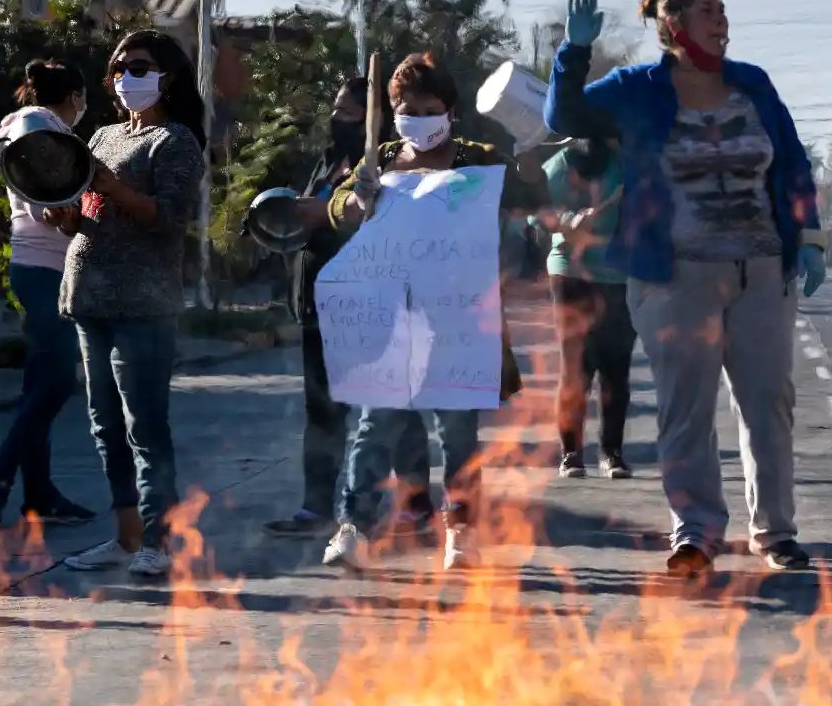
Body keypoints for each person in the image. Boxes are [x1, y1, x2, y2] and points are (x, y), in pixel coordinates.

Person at [544, 0, 827, 578]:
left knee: (769, 403)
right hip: (675, 278)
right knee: (685, 407)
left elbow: (793, 161)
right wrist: (573, 51)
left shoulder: (753, 84)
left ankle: (776, 533)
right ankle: (695, 532)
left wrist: (809, 237)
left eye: (723, 9)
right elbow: (563, 116)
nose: (721, 19)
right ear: (673, 24)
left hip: (761, 271)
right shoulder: (637, 88)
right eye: (707, 10)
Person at [304, 52, 548, 572]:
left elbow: (532, 193)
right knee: (375, 427)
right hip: (390, 324)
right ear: (392, 112)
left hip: (460, 327)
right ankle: (354, 527)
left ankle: (461, 531)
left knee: (457, 435)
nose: (418, 120)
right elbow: (338, 210)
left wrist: (529, 158)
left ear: (451, 112)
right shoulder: (380, 159)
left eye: (429, 110)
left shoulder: (481, 160)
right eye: (407, 110)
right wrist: (357, 200)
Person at [50, 30, 207, 578]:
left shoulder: (176, 141)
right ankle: (126, 537)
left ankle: (159, 541)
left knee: (145, 427)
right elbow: (90, 214)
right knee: (105, 427)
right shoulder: (103, 136)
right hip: (88, 295)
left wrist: (113, 187)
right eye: (119, 69)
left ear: (168, 77)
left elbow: (168, 217)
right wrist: (65, 214)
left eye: (138, 68)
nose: (125, 78)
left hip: (143, 304)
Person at [263, 76, 434, 540]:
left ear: (373, 120)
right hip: (318, 301)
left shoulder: (389, 166)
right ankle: (315, 509)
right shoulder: (329, 159)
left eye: (348, 112)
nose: (336, 118)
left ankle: (415, 504)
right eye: (336, 108)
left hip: (369, 301)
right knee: (323, 409)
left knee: (390, 407)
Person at [0, 60, 96, 529]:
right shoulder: (37, 122)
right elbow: (36, 180)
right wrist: (55, 209)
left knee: (38, 385)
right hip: (42, 270)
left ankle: (39, 495)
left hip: (48, 269)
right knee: (58, 381)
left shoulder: (42, 126)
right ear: (75, 96)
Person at [530, 136, 637, 479]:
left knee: (616, 367)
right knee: (575, 364)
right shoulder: (559, 165)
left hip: (620, 273)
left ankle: (612, 452)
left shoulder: (629, 162)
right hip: (570, 272)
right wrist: (567, 220)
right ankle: (571, 453)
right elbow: (536, 214)